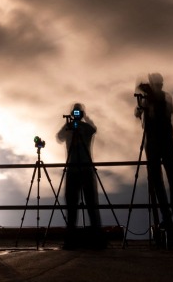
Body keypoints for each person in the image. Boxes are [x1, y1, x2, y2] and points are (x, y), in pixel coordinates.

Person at [134, 73, 173, 235]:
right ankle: (168, 217)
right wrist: (144, 103)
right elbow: (138, 114)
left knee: (169, 180)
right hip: (158, 143)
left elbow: (164, 114)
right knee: (161, 181)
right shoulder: (149, 98)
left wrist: (149, 102)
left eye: (159, 84)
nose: (159, 87)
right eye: (157, 84)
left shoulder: (165, 98)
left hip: (161, 142)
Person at [57, 102, 102, 248]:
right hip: (73, 169)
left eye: (78, 113)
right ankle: (71, 237)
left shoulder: (86, 128)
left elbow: (93, 129)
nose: (76, 115)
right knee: (72, 205)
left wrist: (84, 120)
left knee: (91, 203)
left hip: (85, 169)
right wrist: (68, 126)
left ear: (81, 114)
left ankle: (97, 237)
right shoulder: (69, 128)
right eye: (74, 112)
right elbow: (59, 137)